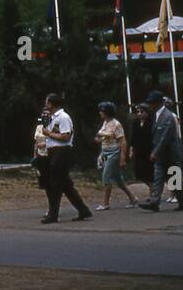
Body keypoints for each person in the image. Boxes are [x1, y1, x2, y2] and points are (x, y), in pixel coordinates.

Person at [41, 93, 93, 224]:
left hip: (62, 151)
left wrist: (49, 134)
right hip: (53, 151)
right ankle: (83, 209)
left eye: (47, 102)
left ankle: (53, 214)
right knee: (65, 185)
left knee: (55, 184)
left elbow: (66, 137)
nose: (45, 105)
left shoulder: (63, 117)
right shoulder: (52, 118)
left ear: (52, 104)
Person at [139, 91, 183, 212]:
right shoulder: (156, 115)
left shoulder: (168, 117)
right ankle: (154, 202)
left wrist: (155, 152)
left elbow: (165, 137)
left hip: (171, 153)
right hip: (161, 154)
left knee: (174, 179)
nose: (150, 105)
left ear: (158, 103)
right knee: (158, 177)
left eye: (152, 102)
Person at [94, 102, 138, 210]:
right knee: (118, 179)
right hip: (105, 151)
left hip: (114, 152)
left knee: (106, 177)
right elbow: (102, 137)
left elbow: (122, 141)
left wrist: (123, 157)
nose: (100, 113)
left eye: (102, 111)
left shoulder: (116, 124)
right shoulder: (105, 123)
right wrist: (98, 139)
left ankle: (106, 203)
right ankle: (132, 198)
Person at [128, 102, 155, 195]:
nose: (139, 114)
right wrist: (132, 149)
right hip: (139, 150)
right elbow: (133, 137)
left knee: (149, 173)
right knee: (139, 172)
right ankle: (152, 188)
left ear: (147, 113)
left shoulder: (151, 123)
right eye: (138, 112)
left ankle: (153, 192)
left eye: (142, 112)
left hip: (149, 150)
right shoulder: (136, 122)